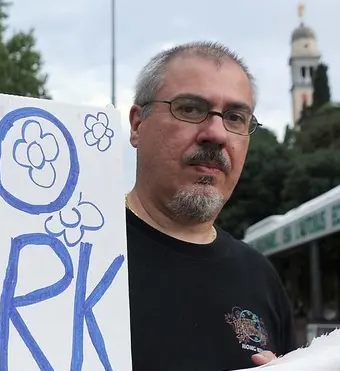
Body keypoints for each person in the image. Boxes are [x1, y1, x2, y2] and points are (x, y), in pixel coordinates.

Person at [124, 41, 298, 371]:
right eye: (190, 109)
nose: (216, 133)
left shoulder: (260, 276)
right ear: (137, 125)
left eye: (235, 117)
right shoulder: (74, 256)